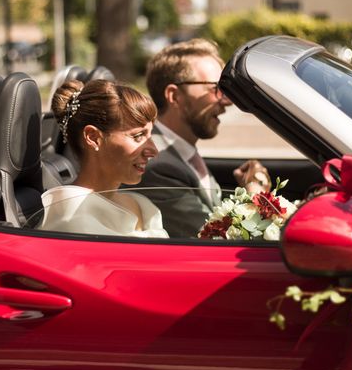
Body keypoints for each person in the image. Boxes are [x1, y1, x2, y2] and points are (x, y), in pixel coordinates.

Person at [135, 38, 271, 238]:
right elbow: (212, 238)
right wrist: (254, 193)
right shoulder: (157, 164)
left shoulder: (182, 151)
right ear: (174, 96)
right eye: (215, 88)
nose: (227, 101)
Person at [37, 79, 169, 238]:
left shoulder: (140, 203)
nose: (154, 151)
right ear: (93, 137)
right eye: (138, 136)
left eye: (150, 135)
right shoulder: (70, 216)